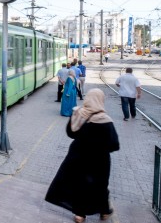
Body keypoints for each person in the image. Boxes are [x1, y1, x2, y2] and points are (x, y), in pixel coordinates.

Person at [46, 88, 120, 223]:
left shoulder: (78, 113)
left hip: (78, 156)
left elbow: (70, 133)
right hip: (100, 159)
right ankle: (104, 211)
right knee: (101, 185)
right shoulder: (105, 120)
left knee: (80, 184)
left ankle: (80, 215)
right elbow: (114, 145)